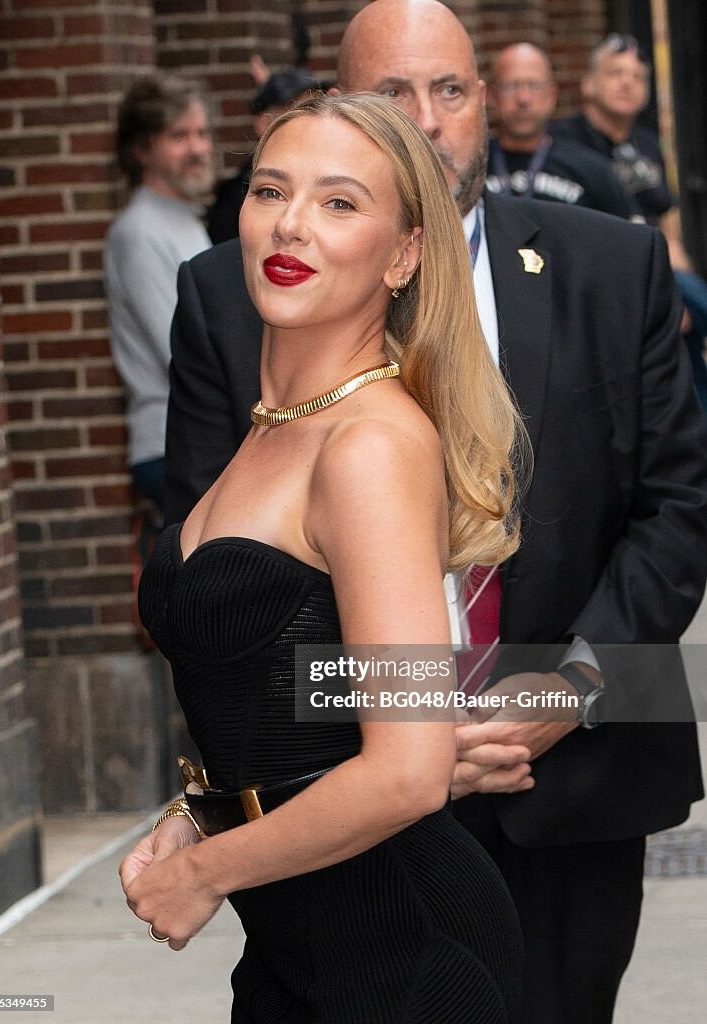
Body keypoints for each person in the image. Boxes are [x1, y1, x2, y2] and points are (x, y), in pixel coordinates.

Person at [162, 3, 707, 1022]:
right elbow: (221, 586)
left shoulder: (612, 264)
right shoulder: (234, 291)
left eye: (449, 90)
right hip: (339, 814)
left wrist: (573, 686)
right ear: (342, 103)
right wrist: (403, 730)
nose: (425, 118)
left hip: (577, 781)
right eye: (391, 93)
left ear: (483, 100)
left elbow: (678, 514)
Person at [121, 92, 534, 1022]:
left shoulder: (369, 445)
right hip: (296, 948)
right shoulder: (277, 425)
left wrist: (206, 873)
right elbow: (293, 705)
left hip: (402, 956)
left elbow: (409, 767)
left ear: (403, 255)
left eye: (339, 202)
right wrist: (201, 812)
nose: (291, 223)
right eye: (271, 189)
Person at [553, 33, 707, 407]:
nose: (627, 83)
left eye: (638, 77)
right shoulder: (564, 144)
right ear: (588, 84)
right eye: (615, 73)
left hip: (654, 267)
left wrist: (680, 290)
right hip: (604, 276)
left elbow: (667, 231)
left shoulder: (648, 143)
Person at [104, 75, 214, 514]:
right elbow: (181, 348)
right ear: (142, 149)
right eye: (179, 136)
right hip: (173, 448)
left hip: (198, 439)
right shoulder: (139, 232)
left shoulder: (183, 218)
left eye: (202, 133)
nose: (198, 148)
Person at [486, 42, 633, 217]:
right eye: (510, 85)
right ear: (491, 96)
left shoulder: (593, 170)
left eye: (534, 85)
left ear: (552, 95)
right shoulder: (472, 168)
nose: (523, 98)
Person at [207, 66, 321, 244]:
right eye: (297, 112)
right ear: (263, 123)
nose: (311, 123)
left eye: (315, 110)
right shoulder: (236, 195)